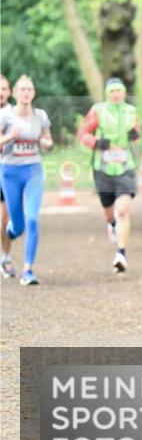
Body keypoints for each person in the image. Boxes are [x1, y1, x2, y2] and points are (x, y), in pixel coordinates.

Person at [76, 77, 141, 273]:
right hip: (102, 168)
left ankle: (121, 254)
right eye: (111, 91)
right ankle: (111, 224)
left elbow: (136, 134)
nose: (115, 94)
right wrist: (97, 143)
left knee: (123, 211)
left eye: (118, 90)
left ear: (124, 93)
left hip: (125, 167)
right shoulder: (98, 110)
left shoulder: (131, 111)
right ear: (106, 94)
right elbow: (82, 135)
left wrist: (134, 135)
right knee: (110, 212)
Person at [0, 75, 54, 286]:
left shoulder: (40, 116)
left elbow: (48, 141)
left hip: (33, 171)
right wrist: (10, 136)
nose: (26, 93)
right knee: (18, 227)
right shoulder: (5, 116)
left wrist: (45, 142)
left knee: (32, 219)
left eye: (29, 89)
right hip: (9, 173)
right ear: (15, 93)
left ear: (34, 93)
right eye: (22, 89)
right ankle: (12, 230)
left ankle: (27, 270)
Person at [0, 75, 14, 279]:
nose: (0, 93)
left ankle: (6, 257)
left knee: (4, 220)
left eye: (3, 89)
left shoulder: (15, 114)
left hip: (8, 169)